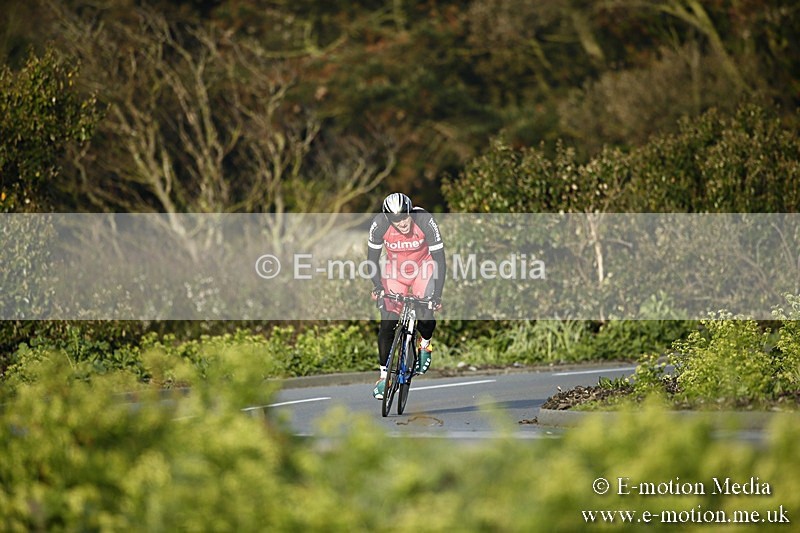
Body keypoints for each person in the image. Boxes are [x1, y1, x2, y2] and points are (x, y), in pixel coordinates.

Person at [367, 192, 446, 399]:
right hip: (395, 272)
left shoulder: (425, 220)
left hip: (424, 268)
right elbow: (372, 259)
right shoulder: (379, 225)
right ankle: (384, 377)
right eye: (396, 219)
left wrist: (436, 295)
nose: (402, 223)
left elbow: (440, 259)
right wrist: (377, 286)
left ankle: (425, 343)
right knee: (387, 323)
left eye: (405, 216)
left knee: (425, 314)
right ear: (387, 219)